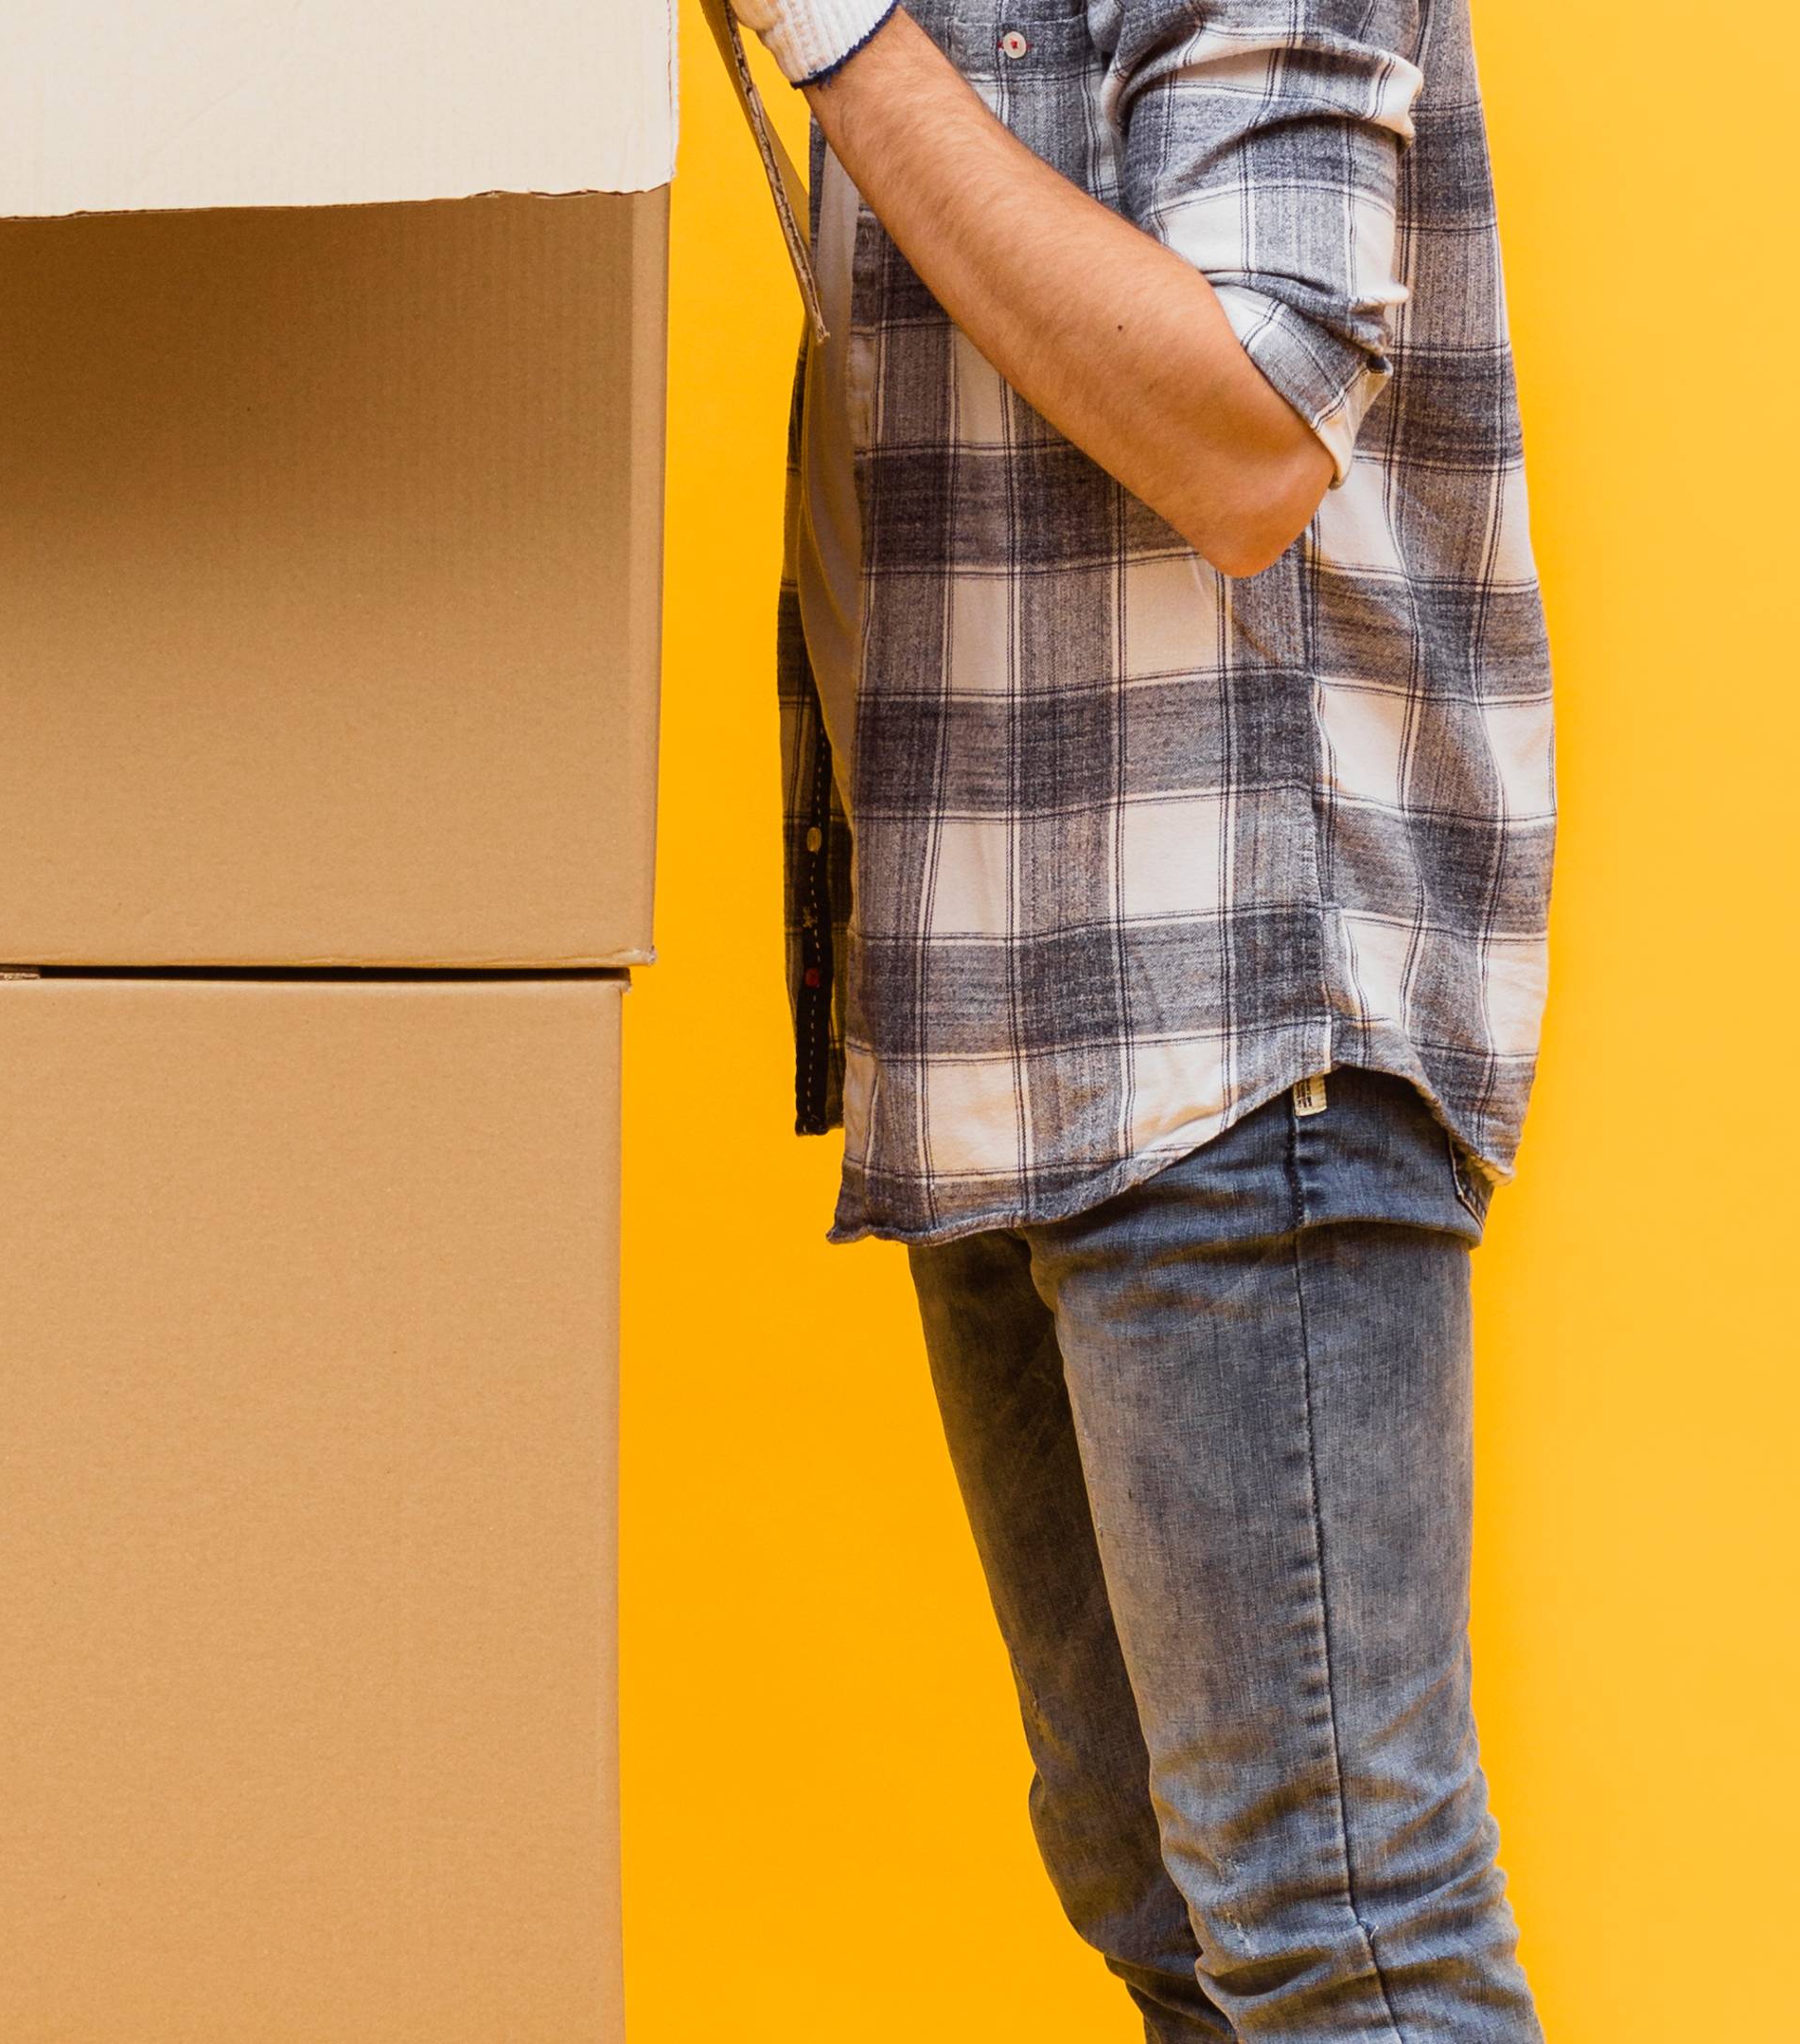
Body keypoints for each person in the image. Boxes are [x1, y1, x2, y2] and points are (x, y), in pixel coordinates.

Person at [725, 1, 1556, 2038]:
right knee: (1165, 1901)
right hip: (984, 988)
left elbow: (1248, 422)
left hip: (1226, 996)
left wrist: (834, 27)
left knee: (1335, 1928)